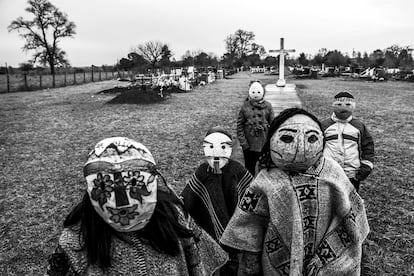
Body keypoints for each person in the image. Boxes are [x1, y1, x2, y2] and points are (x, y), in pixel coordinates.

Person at [46, 137, 227, 276]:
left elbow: (198, 264)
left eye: (134, 183)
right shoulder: (76, 240)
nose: (122, 202)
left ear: (153, 182)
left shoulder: (173, 217)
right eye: (104, 186)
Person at [220, 108, 370, 275]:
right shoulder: (267, 178)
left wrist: (331, 254)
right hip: (278, 263)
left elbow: (351, 215)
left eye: (311, 138)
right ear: (271, 140)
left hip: (324, 262)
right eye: (287, 138)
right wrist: (251, 263)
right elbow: (249, 224)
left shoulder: (332, 171)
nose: (301, 147)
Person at [181, 126, 254, 275]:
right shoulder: (202, 172)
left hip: (234, 231)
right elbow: (188, 199)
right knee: (211, 261)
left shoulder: (237, 171)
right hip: (209, 232)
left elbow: (251, 194)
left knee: (232, 261)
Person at [321, 91, 375, 192]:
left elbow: (368, 147)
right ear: (334, 106)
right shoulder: (324, 125)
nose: (343, 108)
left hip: (352, 174)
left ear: (353, 106)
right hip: (329, 173)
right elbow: (317, 147)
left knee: (350, 202)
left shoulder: (358, 126)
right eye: (339, 105)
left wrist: (366, 167)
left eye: (348, 105)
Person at [237, 80, 275, 175]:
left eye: (258, 92)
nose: (256, 95)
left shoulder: (268, 106)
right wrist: (243, 143)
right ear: (250, 92)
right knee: (249, 168)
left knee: (264, 168)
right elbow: (239, 126)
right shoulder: (245, 107)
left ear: (262, 92)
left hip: (263, 143)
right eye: (253, 92)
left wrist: (270, 142)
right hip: (249, 144)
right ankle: (249, 186)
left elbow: (273, 124)